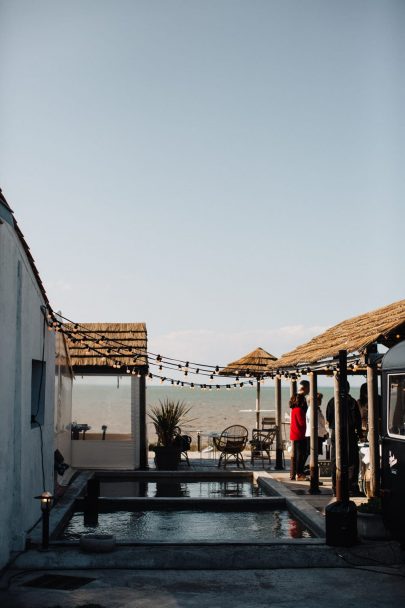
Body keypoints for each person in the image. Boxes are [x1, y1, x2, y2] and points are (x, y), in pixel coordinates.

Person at [326, 381, 362, 495]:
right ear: (348, 389)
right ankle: (351, 486)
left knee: (335, 460)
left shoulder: (332, 401)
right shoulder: (352, 402)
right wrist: (359, 432)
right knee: (352, 460)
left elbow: (329, 417)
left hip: (336, 432)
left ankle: (336, 487)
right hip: (350, 433)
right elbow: (358, 420)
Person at [289, 392, 307, 480]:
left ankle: (297, 473)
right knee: (301, 455)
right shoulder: (299, 410)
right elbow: (302, 423)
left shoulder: (293, 410)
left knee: (298, 454)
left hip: (295, 434)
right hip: (299, 434)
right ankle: (299, 473)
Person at [306, 392, 328, 456]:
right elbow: (318, 424)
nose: (320, 401)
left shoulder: (315, 409)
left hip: (316, 434)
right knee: (314, 455)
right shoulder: (313, 410)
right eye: (319, 399)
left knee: (315, 455)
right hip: (315, 435)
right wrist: (325, 433)